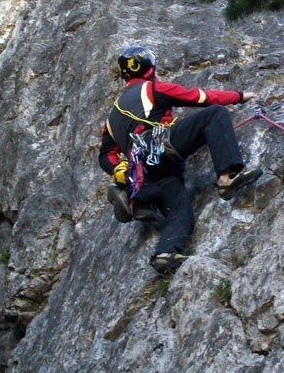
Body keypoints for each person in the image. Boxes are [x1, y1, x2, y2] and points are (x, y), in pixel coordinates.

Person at [98, 45, 262, 275]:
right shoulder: (150, 89)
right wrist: (239, 96)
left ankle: (165, 253)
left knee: (180, 210)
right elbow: (199, 97)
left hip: (148, 171)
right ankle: (227, 176)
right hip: (161, 147)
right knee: (215, 114)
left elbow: (105, 155)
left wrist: (119, 170)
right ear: (149, 68)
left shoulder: (111, 118)